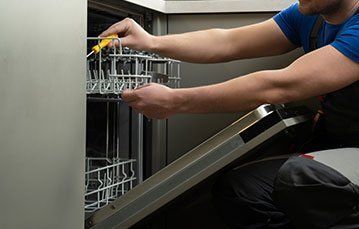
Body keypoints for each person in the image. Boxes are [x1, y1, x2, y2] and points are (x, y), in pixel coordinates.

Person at [100, 0, 359, 228]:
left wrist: (174, 101)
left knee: (299, 178)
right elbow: (228, 43)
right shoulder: (308, 16)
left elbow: (281, 85)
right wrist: (151, 42)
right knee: (241, 191)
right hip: (335, 148)